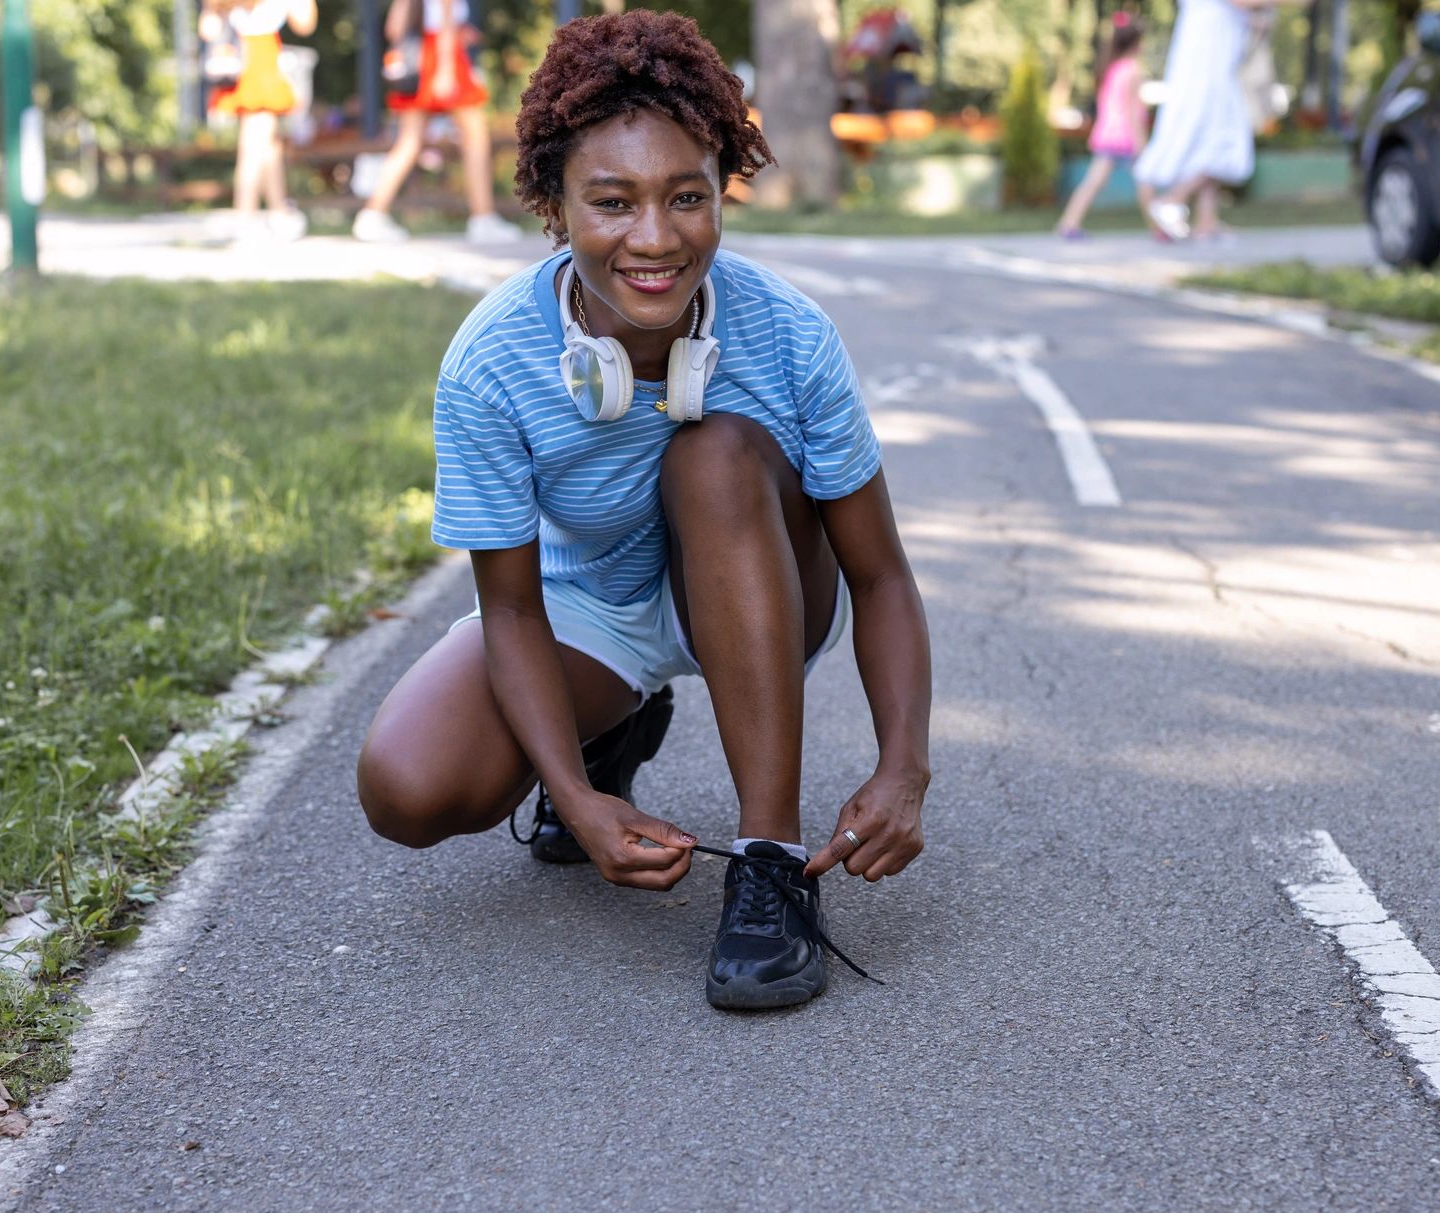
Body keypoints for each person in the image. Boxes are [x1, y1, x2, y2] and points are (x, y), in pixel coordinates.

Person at [356, 12, 932, 1011]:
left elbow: (878, 575)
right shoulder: (491, 361)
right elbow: (513, 610)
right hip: (593, 605)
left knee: (707, 453)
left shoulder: (789, 334)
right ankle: (604, 740)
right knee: (406, 786)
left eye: (686, 197)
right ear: (552, 204)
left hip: (766, 584)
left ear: (722, 193)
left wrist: (902, 767)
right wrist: (576, 803)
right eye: (612, 202)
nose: (654, 238)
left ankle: (767, 865)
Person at [352, 0, 521, 244]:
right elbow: (446, 16)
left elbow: (393, 29)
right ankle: (483, 218)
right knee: (475, 138)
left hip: (424, 56)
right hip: (444, 58)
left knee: (409, 142)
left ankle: (372, 214)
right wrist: (446, 70)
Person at [1133, 0, 1282, 240]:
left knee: (1213, 139)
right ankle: (1173, 199)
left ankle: (1206, 221)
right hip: (1206, 67)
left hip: (1216, 65)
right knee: (1223, 140)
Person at [207, 0, 319, 242]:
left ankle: (279, 213)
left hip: (246, 57)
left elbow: (208, 28)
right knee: (254, 147)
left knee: (270, 145)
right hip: (260, 58)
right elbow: (305, 23)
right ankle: (245, 217)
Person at [1056, 14, 1149, 239]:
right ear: (1136, 43)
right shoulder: (1133, 70)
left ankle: (1068, 223)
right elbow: (1132, 111)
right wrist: (1141, 142)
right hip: (1125, 137)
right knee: (1147, 181)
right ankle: (1161, 228)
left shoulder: (1112, 68)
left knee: (1093, 182)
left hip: (1108, 135)